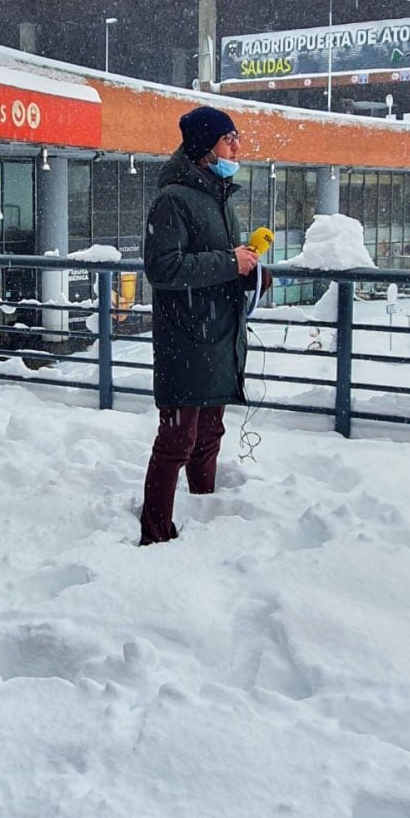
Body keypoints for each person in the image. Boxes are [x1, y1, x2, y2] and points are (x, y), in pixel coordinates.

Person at [139, 105, 271, 546]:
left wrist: (249, 270)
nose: (237, 144)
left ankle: (203, 513)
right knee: (177, 438)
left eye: (237, 136)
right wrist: (228, 262)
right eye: (228, 137)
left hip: (216, 336)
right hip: (186, 338)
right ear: (203, 148)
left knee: (209, 434)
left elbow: (217, 260)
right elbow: (163, 268)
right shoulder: (173, 199)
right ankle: (155, 533)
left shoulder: (218, 195)